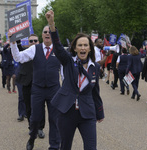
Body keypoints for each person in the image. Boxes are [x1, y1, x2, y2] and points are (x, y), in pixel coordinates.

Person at [45, 10, 104, 150]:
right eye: (80, 45)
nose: (83, 48)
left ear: (90, 48)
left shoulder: (94, 67)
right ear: (75, 48)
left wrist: (100, 112)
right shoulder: (68, 61)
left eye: (85, 45)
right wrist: (52, 24)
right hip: (67, 112)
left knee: (91, 148)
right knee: (65, 147)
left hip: (87, 114)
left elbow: (95, 91)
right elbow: (58, 47)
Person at [8, 26, 61, 150]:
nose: (47, 34)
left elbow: (64, 71)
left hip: (54, 89)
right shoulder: (34, 49)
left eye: (50, 32)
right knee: (35, 117)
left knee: (55, 119)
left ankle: (54, 146)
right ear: (42, 35)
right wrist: (13, 43)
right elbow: (18, 58)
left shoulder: (59, 50)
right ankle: (32, 137)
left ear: (54, 34)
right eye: (45, 32)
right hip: (38, 89)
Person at [15, 35, 46, 137]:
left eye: (35, 40)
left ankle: (40, 128)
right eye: (31, 41)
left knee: (41, 107)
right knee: (28, 106)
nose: (33, 42)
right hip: (27, 82)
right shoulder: (25, 52)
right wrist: (16, 36)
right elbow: (17, 49)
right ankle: (32, 127)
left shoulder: (43, 52)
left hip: (40, 83)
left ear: (39, 41)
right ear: (28, 42)